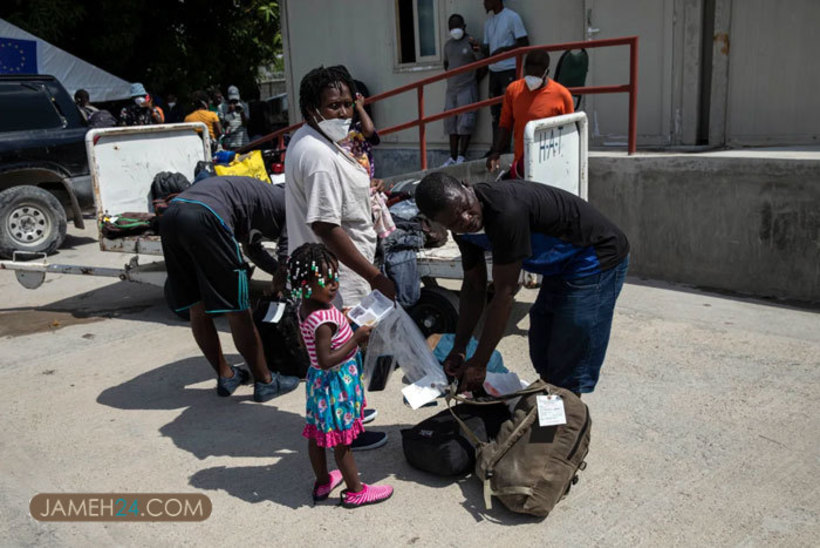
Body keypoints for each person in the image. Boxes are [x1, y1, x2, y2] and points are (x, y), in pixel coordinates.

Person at [414, 173, 630, 397]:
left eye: (467, 208)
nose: (467, 219)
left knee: (571, 344)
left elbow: (504, 294)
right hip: (561, 267)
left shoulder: (505, 211)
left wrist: (479, 363)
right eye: (457, 221)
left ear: (467, 187)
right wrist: (459, 348)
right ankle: (552, 398)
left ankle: (566, 415)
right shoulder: (462, 231)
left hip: (596, 257)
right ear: (442, 224)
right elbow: (474, 286)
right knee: (542, 341)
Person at [285, 65, 394, 451]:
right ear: (311, 110)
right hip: (337, 276)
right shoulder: (317, 155)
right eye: (333, 106)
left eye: (348, 104)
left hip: (337, 271)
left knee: (344, 357)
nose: (344, 113)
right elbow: (325, 225)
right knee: (341, 356)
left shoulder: (319, 143)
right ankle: (346, 431)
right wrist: (376, 276)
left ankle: (350, 415)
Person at [159, 175, 300, 402]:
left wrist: (277, 277)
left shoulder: (262, 200)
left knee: (198, 307)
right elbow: (286, 260)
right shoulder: (292, 206)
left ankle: (227, 375)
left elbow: (254, 251)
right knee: (238, 309)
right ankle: (266, 382)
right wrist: (279, 286)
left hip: (171, 217)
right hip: (206, 216)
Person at [289, 243, 394, 508]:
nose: (333, 284)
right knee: (342, 441)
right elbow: (326, 360)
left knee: (317, 435)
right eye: (325, 280)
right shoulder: (323, 319)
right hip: (335, 383)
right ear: (304, 284)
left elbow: (312, 347)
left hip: (319, 385)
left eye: (335, 277)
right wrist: (357, 338)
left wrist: (344, 321)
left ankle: (323, 480)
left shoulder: (308, 307)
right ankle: (356, 490)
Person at [486, 50, 574, 178]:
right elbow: (505, 124)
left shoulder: (562, 95)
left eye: (536, 74)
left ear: (546, 72)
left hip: (550, 164)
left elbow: (569, 134)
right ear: (524, 70)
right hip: (521, 167)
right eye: (529, 73)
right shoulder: (513, 90)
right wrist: (496, 152)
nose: (532, 78)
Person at [483, 0, 528, 153]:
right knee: (495, 113)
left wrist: (503, 50)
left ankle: (508, 149)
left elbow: (524, 43)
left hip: (508, 70)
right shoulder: (488, 23)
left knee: (508, 111)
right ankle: (497, 147)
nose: (484, 3)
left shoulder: (512, 17)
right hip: (493, 71)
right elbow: (487, 48)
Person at [441, 13, 484, 166]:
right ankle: (452, 157)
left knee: (466, 122)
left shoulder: (471, 42)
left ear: (464, 26)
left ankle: (462, 156)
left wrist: (472, 80)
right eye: (452, 27)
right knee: (451, 123)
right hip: (451, 89)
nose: (455, 29)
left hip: (467, 88)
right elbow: (447, 65)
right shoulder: (448, 46)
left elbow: (482, 63)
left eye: (457, 26)